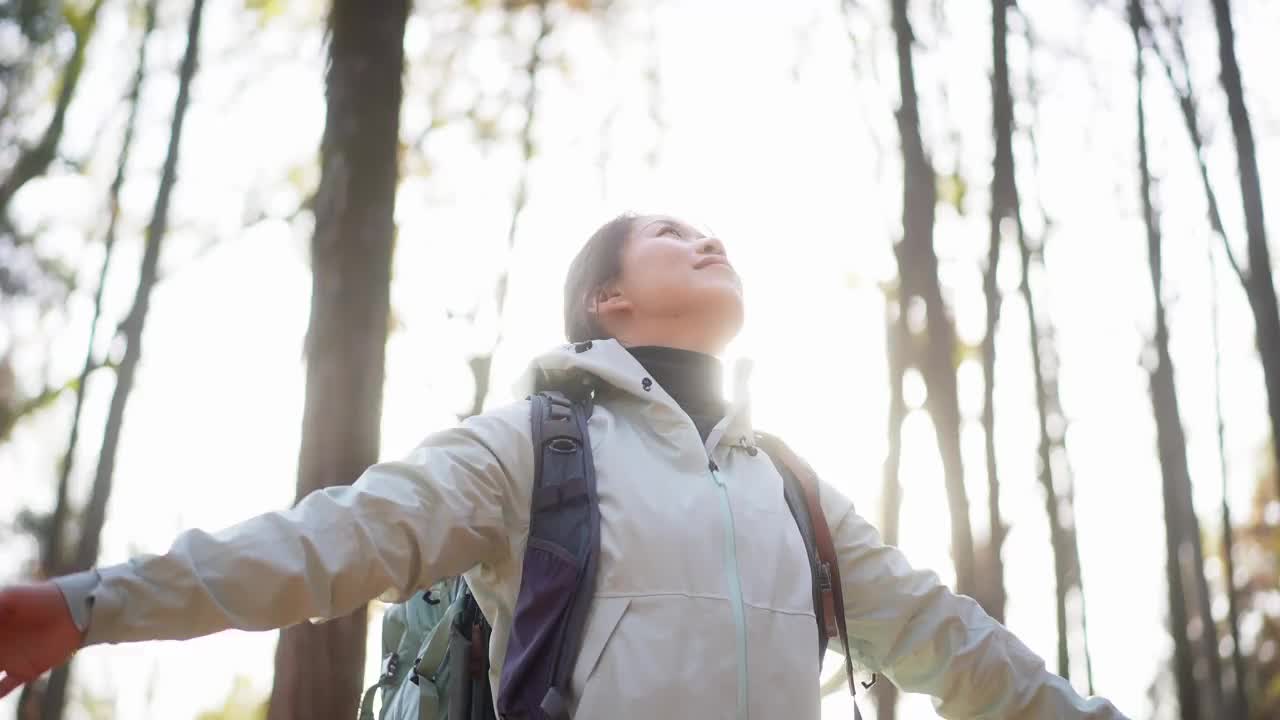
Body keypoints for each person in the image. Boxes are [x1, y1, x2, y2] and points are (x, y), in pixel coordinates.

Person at [0, 213, 1128, 718]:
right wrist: (89, 606)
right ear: (607, 299)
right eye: (670, 232)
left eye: (713, 231)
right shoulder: (527, 446)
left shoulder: (791, 484)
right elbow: (323, 543)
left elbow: (952, 645)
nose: (708, 237)